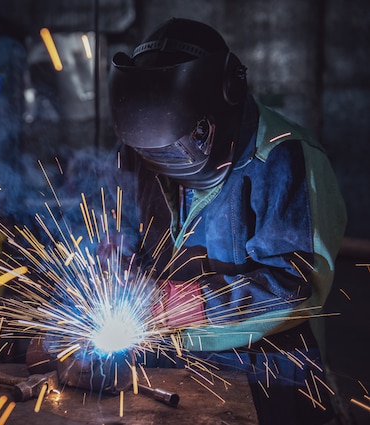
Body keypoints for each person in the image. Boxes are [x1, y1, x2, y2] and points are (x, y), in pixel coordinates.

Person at [105, 17, 347, 425]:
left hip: (267, 377)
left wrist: (177, 304)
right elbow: (125, 228)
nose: (166, 163)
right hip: (169, 367)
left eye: (182, 146)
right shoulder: (141, 145)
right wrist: (114, 260)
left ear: (223, 100)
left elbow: (296, 286)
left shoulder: (284, 158)